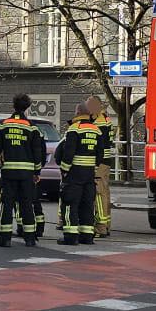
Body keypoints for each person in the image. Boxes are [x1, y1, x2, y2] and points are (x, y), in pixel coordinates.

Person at [0, 94, 44, 247]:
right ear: (27, 108)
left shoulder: (3, 126)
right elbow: (37, 152)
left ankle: (5, 238)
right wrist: (37, 172)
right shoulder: (32, 128)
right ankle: (30, 238)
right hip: (27, 174)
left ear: (13, 106)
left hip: (9, 172)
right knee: (27, 204)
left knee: (7, 204)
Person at [54, 103, 102, 245]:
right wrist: (94, 168)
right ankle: (87, 236)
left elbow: (68, 153)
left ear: (78, 113)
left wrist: (64, 170)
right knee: (87, 204)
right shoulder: (97, 130)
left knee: (70, 204)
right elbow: (100, 154)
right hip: (89, 174)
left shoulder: (74, 129)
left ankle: (70, 237)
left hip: (74, 173)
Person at [87, 95, 117, 238]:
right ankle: (106, 225)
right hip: (105, 161)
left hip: (100, 162)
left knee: (99, 193)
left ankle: (101, 227)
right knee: (105, 192)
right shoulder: (105, 119)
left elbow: (96, 144)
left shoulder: (98, 123)